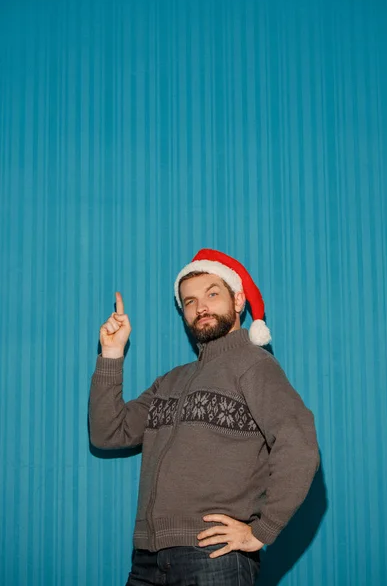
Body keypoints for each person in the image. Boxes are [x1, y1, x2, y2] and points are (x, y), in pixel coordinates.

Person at [89, 248, 320, 586]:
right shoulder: (170, 381)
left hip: (213, 561)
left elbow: (299, 444)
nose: (201, 308)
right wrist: (111, 354)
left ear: (238, 301)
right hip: (147, 562)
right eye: (190, 302)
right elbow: (108, 433)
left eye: (212, 294)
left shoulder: (254, 365)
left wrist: (262, 531)